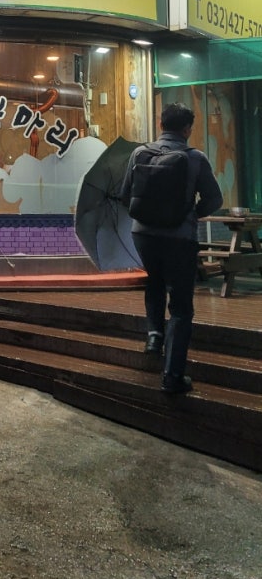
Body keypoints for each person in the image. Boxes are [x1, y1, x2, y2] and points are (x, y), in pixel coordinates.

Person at [120, 102, 223, 394]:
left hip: (143, 235)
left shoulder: (139, 153)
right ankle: (172, 375)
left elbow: (126, 195)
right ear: (187, 129)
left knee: (153, 282)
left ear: (160, 124)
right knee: (180, 306)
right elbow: (215, 200)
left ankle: (154, 336)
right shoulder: (195, 158)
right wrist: (191, 214)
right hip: (179, 238)